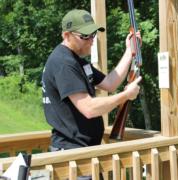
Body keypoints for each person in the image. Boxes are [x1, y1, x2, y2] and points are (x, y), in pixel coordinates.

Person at [41, 9, 141, 151]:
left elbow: (110, 83)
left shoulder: (76, 61)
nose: (91, 40)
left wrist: (130, 51)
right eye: (85, 36)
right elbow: (89, 108)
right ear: (66, 35)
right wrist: (125, 95)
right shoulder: (64, 63)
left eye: (93, 34)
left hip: (81, 150)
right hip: (72, 152)